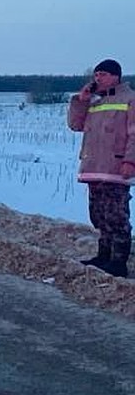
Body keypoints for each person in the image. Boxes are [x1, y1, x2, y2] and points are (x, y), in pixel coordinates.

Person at [67, 58, 135, 276]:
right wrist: (81, 100)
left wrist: (130, 161)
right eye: (96, 74)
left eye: (103, 74)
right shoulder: (94, 102)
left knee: (116, 216)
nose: (98, 78)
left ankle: (118, 262)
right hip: (93, 166)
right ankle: (103, 257)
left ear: (116, 76)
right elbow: (75, 125)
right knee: (99, 215)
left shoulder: (130, 99)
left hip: (116, 168)